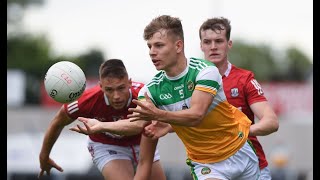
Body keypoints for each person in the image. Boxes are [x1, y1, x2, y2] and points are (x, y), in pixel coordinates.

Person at [128, 15, 260, 180]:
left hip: (240, 152)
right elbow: (136, 123)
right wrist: (100, 127)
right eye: (149, 46)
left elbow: (197, 115)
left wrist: (161, 117)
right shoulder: (149, 90)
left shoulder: (205, 70)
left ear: (178, 46)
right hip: (206, 165)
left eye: (159, 45)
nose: (152, 52)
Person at [38, 59, 166, 180]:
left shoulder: (144, 94)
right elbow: (57, 122)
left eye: (121, 88)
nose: (116, 96)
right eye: (109, 90)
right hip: (107, 145)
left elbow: (138, 125)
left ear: (129, 83)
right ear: (101, 86)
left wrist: (101, 125)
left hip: (142, 143)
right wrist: (44, 155)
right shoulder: (85, 101)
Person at [199, 17, 279, 180]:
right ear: (201, 46)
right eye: (207, 42)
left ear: (229, 44)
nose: (213, 47)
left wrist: (240, 132)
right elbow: (188, 119)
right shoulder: (192, 81)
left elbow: (271, 122)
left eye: (219, 41)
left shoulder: (245, 79)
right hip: (212, 166)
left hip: (252, 166)